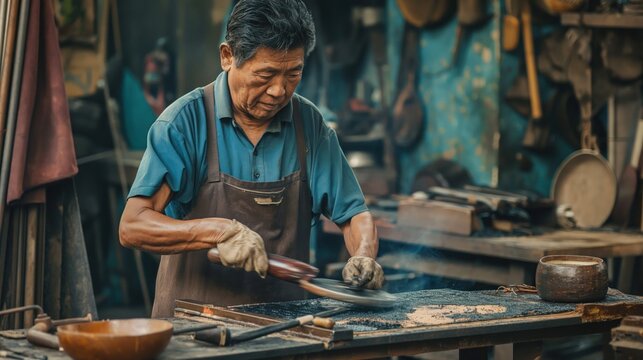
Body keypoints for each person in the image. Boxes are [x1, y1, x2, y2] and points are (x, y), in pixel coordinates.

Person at [119, 0, 384, 318]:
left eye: (293, 74)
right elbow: (133, 225)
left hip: (283, 331)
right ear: (227, 56)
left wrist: (364, 256)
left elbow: (354, 213)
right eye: (266, 74)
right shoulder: (184, 123)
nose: (278, 90)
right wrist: (219, 231)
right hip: (192, 331)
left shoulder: (309, 126)